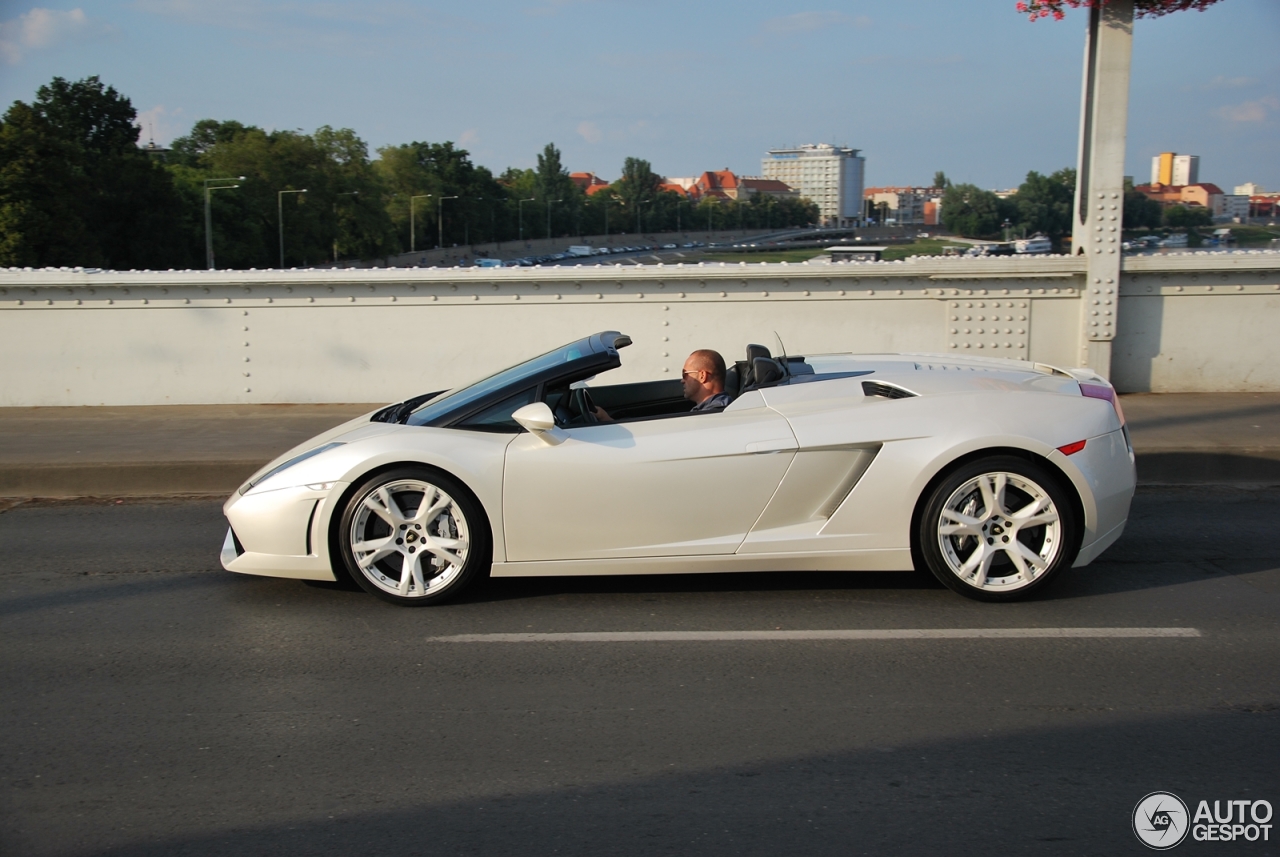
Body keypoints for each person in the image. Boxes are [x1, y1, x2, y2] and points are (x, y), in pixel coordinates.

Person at [592, 349, 731, 422]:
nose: (682, 380)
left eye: (685, 374)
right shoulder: (707, 410)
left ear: (702, 376)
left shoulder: (716, 413)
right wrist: (607, 420)